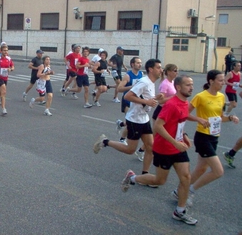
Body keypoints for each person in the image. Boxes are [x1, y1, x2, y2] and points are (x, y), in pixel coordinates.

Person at [120, 75, 197, 225]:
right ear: (179, 88)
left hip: (178, 147)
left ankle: (179, 211)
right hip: (165, 148)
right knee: (159, 180)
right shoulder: (171, 104)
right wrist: (175, 142)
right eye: (188, 85)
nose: (191, 87)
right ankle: (132, 177)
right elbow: (158, 126)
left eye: (192, 84)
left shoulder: (184, 102)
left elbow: (178, 121)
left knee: (186, 177)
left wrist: (185, 135)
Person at [174, 69, 239, 206]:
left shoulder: (221, 97)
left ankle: (179, 190)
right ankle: (190, 190)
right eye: (220, 80)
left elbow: (220, 118)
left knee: (201, 169)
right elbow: (184, 114)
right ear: (211, 81)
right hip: (202, 136)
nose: (222, 83)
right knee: (218, 171)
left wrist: (231, 117)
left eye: (223, 80)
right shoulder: (201, 96)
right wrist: (199, 119)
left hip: (214, 136)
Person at [94, 59, 163, 180]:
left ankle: (145, 174)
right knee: (130, 149)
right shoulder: (144, 82)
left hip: (144, 119)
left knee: (150, 147)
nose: (161, 70)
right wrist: (146, 101)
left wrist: (156, 98)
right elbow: (128, 96)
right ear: (151, 69)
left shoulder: (151, 82)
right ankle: (105, 142)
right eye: (158, 67)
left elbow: (146, 98)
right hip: (135, 120)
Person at [116, 57, 143, 147]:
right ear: (132, 64)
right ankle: (122, 139)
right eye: (138, 63)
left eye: (140, 63)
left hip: (135, 100)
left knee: (131, 120)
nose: (140, 64)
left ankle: (120, 124)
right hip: (127, 100)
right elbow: (119, 88)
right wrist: (131, 87)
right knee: (130, 122)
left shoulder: (141, 74)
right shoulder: (127, 76)